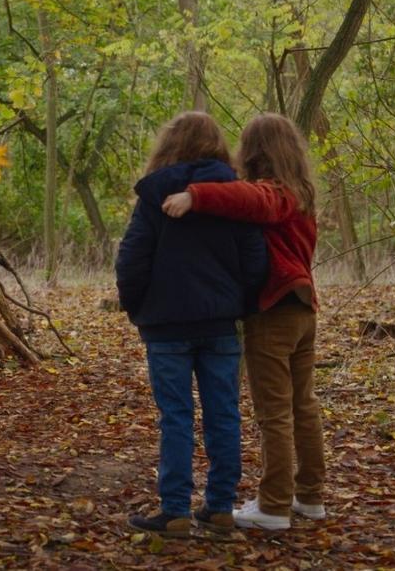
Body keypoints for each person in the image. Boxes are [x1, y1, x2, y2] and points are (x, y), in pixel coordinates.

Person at [161, 112, 326, 531]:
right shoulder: (301, 192)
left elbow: (251, 200)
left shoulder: (275, 193)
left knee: (275, 412)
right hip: (303, 309)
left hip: (276, 312)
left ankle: (273, 506)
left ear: (255, 152)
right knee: (302, 407)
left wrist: (195, 195)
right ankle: (309, 497)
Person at [116, 111, 267, 537]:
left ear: (169, 145)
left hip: (166, 326)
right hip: (220, 323)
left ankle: (176, 510)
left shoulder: (154, 197)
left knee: (176, 417)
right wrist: (240, 303)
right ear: (217, 146)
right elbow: (255, 259)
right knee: (223, 413)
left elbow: (131, 261)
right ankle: (220, 506)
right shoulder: (235, 196)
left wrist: (139, 309)